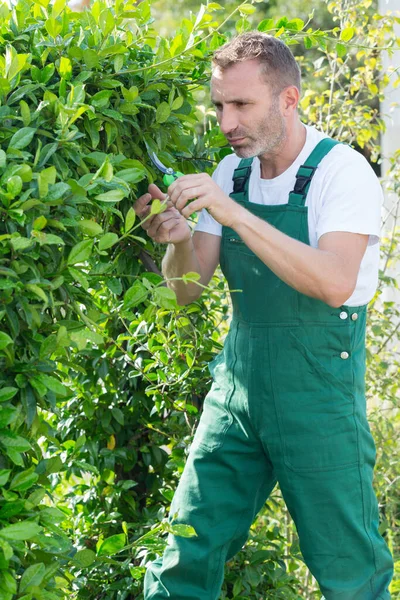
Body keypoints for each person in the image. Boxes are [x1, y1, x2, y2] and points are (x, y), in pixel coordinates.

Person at [134, 32, 394, 600]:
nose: (228, 122)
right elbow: (186, 288)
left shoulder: (340, 172)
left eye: (242, 105)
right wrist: (176, 239)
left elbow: (333, 281)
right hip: (237, 392)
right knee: (184, 553)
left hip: (319, 395)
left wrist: (233, 215)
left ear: (289, 100)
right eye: (220, 105)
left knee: (350, 571)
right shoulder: (231, 173)